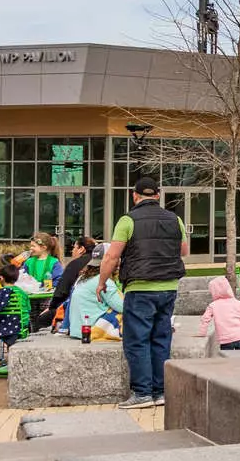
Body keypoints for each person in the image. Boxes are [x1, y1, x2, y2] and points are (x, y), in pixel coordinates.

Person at [94, 173, 184, 409]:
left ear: (134, 196)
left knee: (137, 340)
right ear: (157, 195)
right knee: (161, 338)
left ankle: (142, 393)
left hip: (140, 288)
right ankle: (161, 391)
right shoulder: (175, 219)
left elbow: (112, 256)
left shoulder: (127, 220)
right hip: (169, 287)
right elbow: (183, 250)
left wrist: (102, 281)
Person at [0, 260, 32, 368]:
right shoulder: (22, 292)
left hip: (8, 328)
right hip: (23, 326)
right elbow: (29, 309)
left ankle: (3, 362)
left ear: (1, 278)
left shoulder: (1, 293)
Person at [198, 275, 240, 352]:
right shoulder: (239, 304)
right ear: (228, 288)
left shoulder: (213, 306)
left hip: (226, 341)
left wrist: (202, 333)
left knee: (229, 362)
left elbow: (205, 319)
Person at [46, 235, 97, 332]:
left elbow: (61, 291)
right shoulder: (100, 263)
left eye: (74, 247)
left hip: (73, 307)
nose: (72, 251)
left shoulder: (75, 264)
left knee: (40, 319)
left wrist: (51, 307)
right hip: (95, 307)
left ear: (81, 249)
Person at [66, 257, 123, 342]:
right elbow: (122, 307)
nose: (118, 268)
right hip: (91, 331)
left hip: (76, 331)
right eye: (117, 265)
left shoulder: (82, 278)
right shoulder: (104, 281)